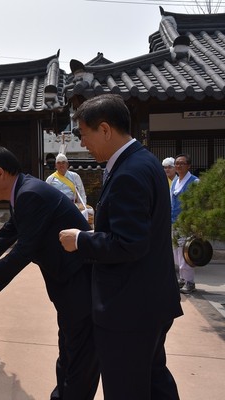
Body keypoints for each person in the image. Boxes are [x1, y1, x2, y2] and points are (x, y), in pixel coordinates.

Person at [0, 146, 99, 400]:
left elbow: (24, 249)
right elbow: (7, 233)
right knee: (70, 349)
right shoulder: (24, 191)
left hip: (78, 282)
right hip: (67, 281)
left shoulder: (30, 194)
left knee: (79, 356)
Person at [59, 94, 182, 400]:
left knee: (126, 387)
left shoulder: (128, 172)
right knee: (153, 380)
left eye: (84, 135)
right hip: (150, 299)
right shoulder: (144, 161)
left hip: (128, 307)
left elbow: (129, 244)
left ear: (105, 129)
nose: (83, 144)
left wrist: (81, 239)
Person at [171, 153, 199, 294]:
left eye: (182, 163)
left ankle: (190, 281)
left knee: (185, 253)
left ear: (188, 166)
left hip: (186, 223)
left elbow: (198, 204)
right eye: (177, 163)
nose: (179, 166)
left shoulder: (194, 182)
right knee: (176, 252)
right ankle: (182, 278)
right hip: (174, 222)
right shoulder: (175, 181)